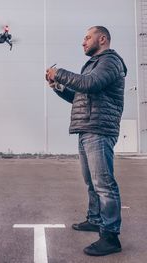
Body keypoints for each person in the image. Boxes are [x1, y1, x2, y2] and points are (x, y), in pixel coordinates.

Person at [45, 26, 127, 256]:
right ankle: (95, 219)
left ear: (102, 39)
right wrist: (57, 87)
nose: (83, 42)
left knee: (104, 184)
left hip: (100, 130)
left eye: (87, 37)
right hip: (87, 128)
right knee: (91, 182)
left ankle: (110, 237)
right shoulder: (94, 65)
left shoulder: (110, 62)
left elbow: (88, 84)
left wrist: (58, 72)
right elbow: (79, 97)